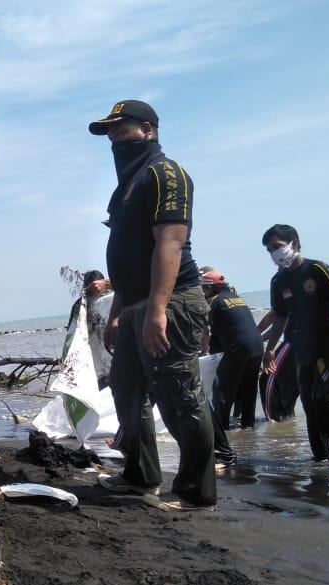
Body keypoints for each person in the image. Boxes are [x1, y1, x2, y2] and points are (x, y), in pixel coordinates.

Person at [90, 99, 216, 510]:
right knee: (126, 389)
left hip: (171, 300)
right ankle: (140, 475)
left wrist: (157, 310)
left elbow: (171, 243)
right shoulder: (125, 187)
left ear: (147, 130)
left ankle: (196, 492)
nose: (114, 137)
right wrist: (116, 314)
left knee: (179, 395)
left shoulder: (166, 173)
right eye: (110, 132)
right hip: (132, 305)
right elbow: (125, 256)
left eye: (121, 128)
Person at [260, 224, 329, 465]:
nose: (274, 253)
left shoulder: (317, 269)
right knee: (308, 401)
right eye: (269, 250)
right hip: (301, 347)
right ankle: (321, 454)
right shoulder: (278, 281)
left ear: (293, 243)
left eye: (277, 246)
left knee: (321, 396)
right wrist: (270, 349)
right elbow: (280, 317)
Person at [202, 271, 263, 431]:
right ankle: (248, 427)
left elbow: (208, 331)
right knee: (249, 389)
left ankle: (222, 429)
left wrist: (207, 352)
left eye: (203, 289)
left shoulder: (214, 301)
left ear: (209, 287)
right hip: (257, 346)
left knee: (221, 390)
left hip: (238, 348)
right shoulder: (237, 298)